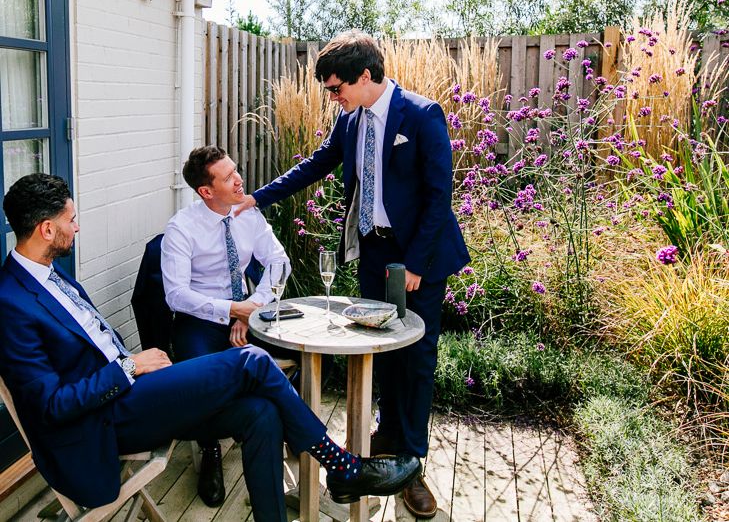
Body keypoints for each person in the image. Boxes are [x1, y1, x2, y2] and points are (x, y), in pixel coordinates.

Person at [0, 173, 421, 522]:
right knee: (253, 361)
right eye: (72, 220)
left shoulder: (50, 274)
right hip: (103, 418)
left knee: (261, 413)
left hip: (133, 393)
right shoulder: (12, 303)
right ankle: (344, 467)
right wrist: (129, 366)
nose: (78, 227)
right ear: (47, 229)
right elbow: (50, 405)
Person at [236, 30, 470, 518]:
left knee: (417, 360)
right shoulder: (351, 122)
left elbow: (437, 198)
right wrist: (258, 196)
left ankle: (413, 465)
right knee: (378, 353)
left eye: (337, 88)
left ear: (366, 76)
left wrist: (416, 268)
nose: (333, 98)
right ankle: (383, 443)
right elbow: (316, 164)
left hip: (418, 261)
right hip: (372, 254)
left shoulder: (422, 115)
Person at [161, 145, 290, 506]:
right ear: (206, 191)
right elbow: (176, 295)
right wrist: (231, 309)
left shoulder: (248, 213)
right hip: (199, 321)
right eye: (229, 176)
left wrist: (254, 308)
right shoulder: (181, 228)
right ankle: (209, 447)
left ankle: (289, 433)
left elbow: (279, 263)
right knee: (199, 380)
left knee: (298, 354)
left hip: (249, 312)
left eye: (236, 170)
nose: (240, 180)